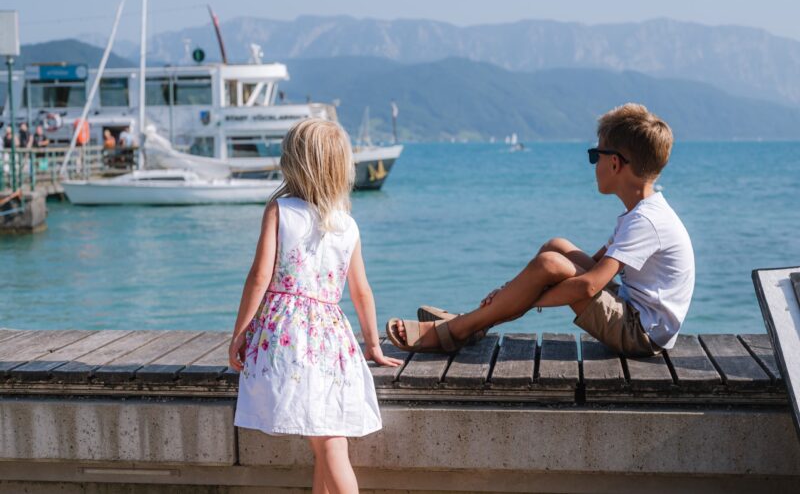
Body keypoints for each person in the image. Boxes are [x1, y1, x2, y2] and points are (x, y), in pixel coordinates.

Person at [387, 103, 695, 358]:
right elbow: (595, 265)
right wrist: (516, 292)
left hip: (641, 335)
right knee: (556, 246)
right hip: (635, 314)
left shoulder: (645, 221)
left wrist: (523, 297)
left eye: (595, 156)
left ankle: (458, 328)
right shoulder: (642, 213)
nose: (593, 164)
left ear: (614, 164)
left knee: (550, 264)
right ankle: (475, 324)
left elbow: (589, 286)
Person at [228, 118, 401, 493]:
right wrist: (372, 345)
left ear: (294, 163)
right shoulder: (347, 224)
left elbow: (259, 277)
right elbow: (361, 292)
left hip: (290, 341)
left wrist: (240, 333)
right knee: (327, 441)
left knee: (330, 444)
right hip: (332, 342)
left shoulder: (280, 210)